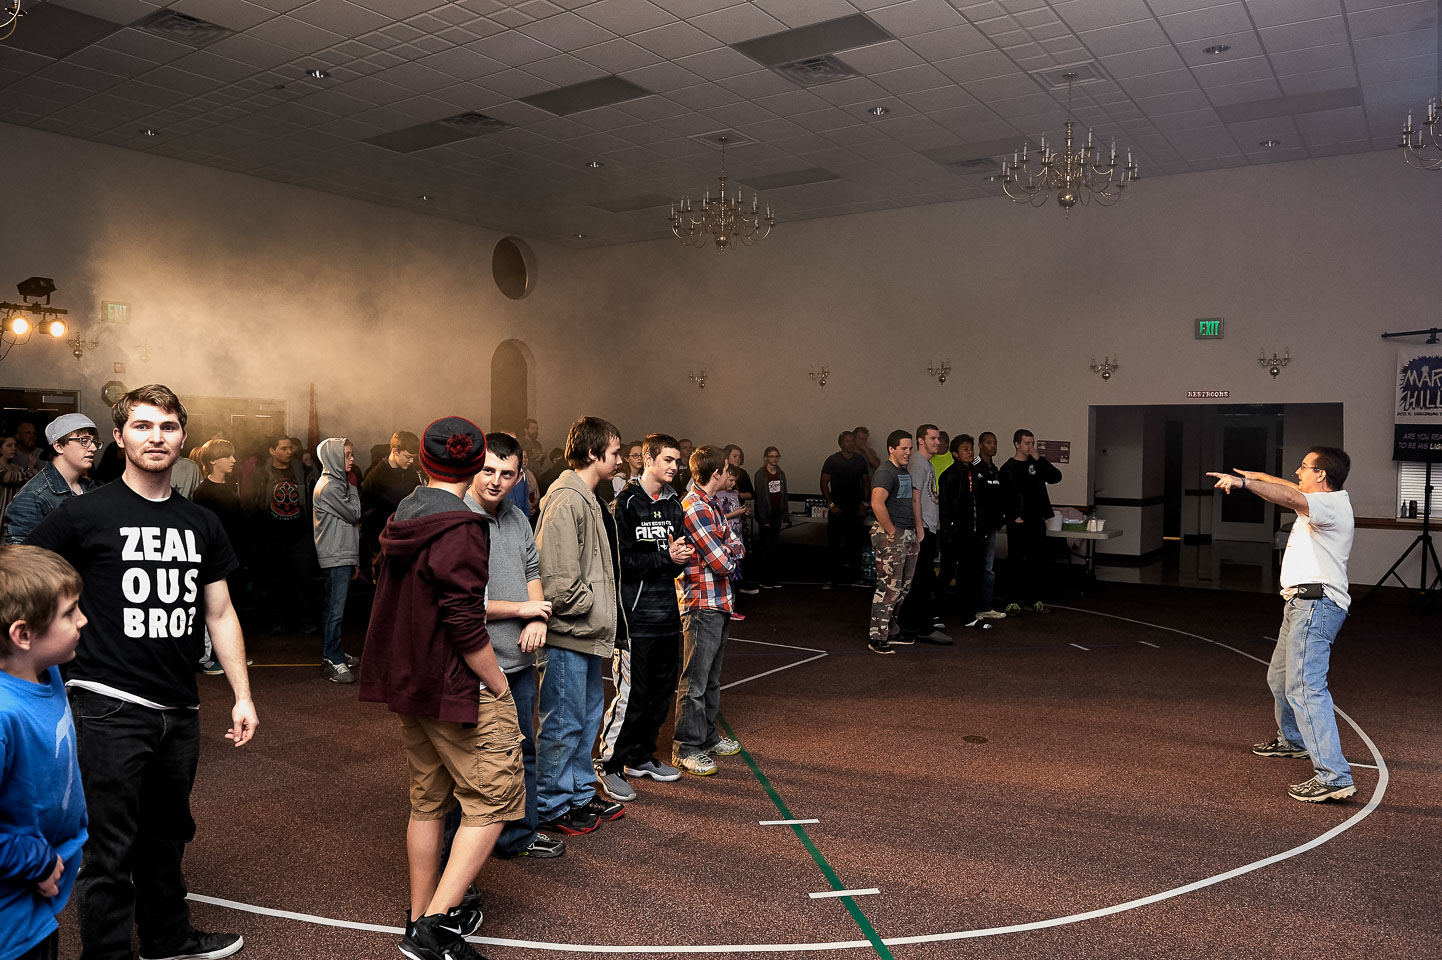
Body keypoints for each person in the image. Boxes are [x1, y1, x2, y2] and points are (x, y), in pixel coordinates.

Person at [27, 383, 255, 960]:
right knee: (108, 849)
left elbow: (220, 612)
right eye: (143, 426)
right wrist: (36, 670)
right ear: (120, 436)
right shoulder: (83, 514)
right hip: (105, 705)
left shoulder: (201, 522)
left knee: (167, 835)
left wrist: (242, 695)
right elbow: (21, 582)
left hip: (179, 708)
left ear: (183, 437)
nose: (157, 437)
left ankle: (166, 938)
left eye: (168, 426)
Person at [358, 417, 522, 960]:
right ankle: (434, 929)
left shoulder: (407, 512)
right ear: (475, 467)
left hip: (413, 681)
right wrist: (498, 684)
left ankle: (419, 917)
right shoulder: (462, 527)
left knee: (427, 800)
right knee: (494, 799)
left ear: (424, 462)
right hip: (456, 686)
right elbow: (465, 622)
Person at [1209, 447, 1359, 803]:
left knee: (1305, 688)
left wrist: (1244, 484)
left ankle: (1335, 777)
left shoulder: (1330, 505)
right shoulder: (1318, 499)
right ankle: (1293, 741)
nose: (1297, 471)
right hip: (1300, 604)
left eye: (1304, 467)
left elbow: (1289, 495)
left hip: (1316, 606)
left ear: (1321, 475)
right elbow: (1286, 488)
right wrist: (1256, 477)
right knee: (1279, 678)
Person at [461, 433, 564, 860]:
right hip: (475, 665)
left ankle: (519, 835)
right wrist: (524, 609)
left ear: (520, 476)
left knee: (523, 750)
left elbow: (531, 570)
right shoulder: (458, 519)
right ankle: (456, 858)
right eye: (488, 470)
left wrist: (537, 616)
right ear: (474, 469)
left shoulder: (518, 517)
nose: (495, 481)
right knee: (471, 763)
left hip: (519, 663)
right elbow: (463, 605)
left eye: (506, 473)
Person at [533, 417, 627, 836]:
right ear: (593, 453)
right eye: (615, 452)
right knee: (563, 723)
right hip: (569, 634)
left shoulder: (586, 497)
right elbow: (557, 582)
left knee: (587, 718)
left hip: (586, 634)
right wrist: (592, 606)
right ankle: (551, 805)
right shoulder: (566, 499)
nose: (620, 459)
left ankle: (579, 794)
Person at [0, 546, 88, 960]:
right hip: (10, 920)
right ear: (23, 635)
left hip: (36, 901)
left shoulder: (46, 670)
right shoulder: (4, 715)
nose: (82, 620)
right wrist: (35, 860)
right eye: (69, 613)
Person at [595, 433, 694, 802]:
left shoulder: (674, 505)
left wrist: (677, 557)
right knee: (632, 694)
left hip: (667, 612)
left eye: (677, 461)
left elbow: (674, 561)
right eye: (668, 459)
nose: (674, 466)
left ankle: (641, 757)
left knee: (661, 691)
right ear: (649, 459)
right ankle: (609, 764)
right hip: (635, 617)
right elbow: (622, 563)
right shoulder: (625, 503)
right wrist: (667, 558)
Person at [672, 444, 741, 776]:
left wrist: (729, 548)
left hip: (719, 601)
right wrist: (729, 550)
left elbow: (736, 543)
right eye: (726, 470)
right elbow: (723, 561)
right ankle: (686, 748)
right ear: (716, 473)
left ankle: (708, 737)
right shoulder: (696, 507)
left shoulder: (711, 504)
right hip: (702, 603)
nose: (729, 474)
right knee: (695, 681)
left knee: (711, 679)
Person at [247, 435, 315, 634]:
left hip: (300, 534)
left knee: (304, 580)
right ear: (272, 451)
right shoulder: (262, 472)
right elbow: (253, 502)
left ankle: (306, 620)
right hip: (273, 535)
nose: (289, 451)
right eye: (283, 448)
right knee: (276, 581)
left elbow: (314, 492)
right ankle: (279, 621)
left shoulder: (301, 469)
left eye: (290, 447)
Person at [192, 440, 248, 676]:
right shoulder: (203, 492)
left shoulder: (231, 486)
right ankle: (207, 659)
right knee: (212, 607)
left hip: (233, 557)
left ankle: (228, 655)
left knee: (230, 606)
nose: (233, 460)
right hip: (213, 560)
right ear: (213, 460)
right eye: (228, 456)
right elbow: (203, 530)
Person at [4, 414, 99, 546]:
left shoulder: (92, 488)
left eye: (94, 442)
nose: (93, 448)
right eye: (84, 441)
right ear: (58, 446)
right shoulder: (33, 496)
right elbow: (22, 556)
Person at [313, 438, 362, 684]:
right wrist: (352, 488)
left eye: (351, 454)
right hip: (336, 555)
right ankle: (332, 659)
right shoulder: (331, 487)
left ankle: (335, 652)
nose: (351, 459)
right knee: (335, 611)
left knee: (336, 609)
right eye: (346, 455)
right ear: (333, 458)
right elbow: (354, 514)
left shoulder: (337, 483)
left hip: (342, 553)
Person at [998, 429, 1062, 614]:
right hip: (1018, 521)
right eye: (1027, 443)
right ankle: (1012, 600)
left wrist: (1039, 458)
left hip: (1036, 519)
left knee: (1037, 560)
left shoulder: (1037, 464)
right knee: (1016, 560)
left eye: (1032, 443)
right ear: (1017, 444)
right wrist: (1012, 516)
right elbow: (1003, 496)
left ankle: (1035, 599)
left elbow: (1055, 477)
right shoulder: (1008, 468)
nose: (1030, 447)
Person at [868, 430, 920, 655]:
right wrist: (891, 531)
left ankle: (890, 630)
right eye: (903, 448)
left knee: (902, 589)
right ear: (891, 449)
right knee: (888, 587)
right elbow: (877, 503)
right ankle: (877, 636)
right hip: (893, 535)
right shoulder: (885, 472)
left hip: (907, 534)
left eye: (910, 448)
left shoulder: (902, 471)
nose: (908, 452)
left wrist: (915, 532)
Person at [899, 424, 950, 644]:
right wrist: (920, 530)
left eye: (938, 438)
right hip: (922, 531)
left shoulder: (927, 464)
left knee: (923, 579)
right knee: (922, 579)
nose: (937, 442)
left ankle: (912, 625)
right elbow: (915, 498)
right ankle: (919, 627)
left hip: (929, 528)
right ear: (921, 440)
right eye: (933, 438)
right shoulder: (918, 464)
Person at [937, 435, 992, 631]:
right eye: (965, 449)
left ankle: (968, 615)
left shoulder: (975, 474)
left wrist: (981, 530)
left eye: (971, 449)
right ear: (955, 453)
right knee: (946, 573)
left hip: (972, 534)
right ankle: (935, 613)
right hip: (954, 535)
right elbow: (945, 508)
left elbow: (978, 503)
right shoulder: (949, 476)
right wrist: (947, 533)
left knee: (969, 575)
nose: (970, 452)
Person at [360, 431, 423, 576]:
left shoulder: (411, 474)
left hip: (407, 541)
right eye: (408, 457)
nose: (411, 461)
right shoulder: (375, 477)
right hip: (383, 544)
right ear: (395, 451)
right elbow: (366, 514)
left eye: (413, 458)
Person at [820, 431, 869, 588]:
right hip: (838, 510)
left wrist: (864, 504)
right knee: (834, 544)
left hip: (855, 509)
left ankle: (856, 577)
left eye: (852, 440)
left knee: (855, 544)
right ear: (841, 444)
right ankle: (831, 578)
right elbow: (823, 483)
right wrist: (831, 505)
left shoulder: (860, 460)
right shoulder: (832, 460)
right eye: (847, 441)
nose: (850, 443)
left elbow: (866, 482)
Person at [972, 432, 1006, 620]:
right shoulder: (975, 467)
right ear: (980, 445)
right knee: (976, 566)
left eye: (995, 443)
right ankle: (974, 605)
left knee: (988, 567)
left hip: (991, 526)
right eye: (988, 442)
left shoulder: (995, 469)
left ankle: (986, 605)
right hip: (977, 527)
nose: (992, 446)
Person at [752, 446, 788, 589]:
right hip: (766, 515)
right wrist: (763, 519)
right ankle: (764, 579)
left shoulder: (781, 473)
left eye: (777, 456)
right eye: (771, 456)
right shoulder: (761, 474)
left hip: (777, 514)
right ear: (765, 458)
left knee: (774, 548)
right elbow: (760, 498)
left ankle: (773, 578)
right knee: (765, 547)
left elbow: (784, 495)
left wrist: (785, 517)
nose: (774, 459)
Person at [714, 466, 747, 621]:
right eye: (731, 480)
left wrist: (742, 512)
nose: (733, 484)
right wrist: (736, 513)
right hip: (725, 540)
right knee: (727, 575)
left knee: (735, 575)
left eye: (735, 481)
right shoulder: (717, 495)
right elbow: (719, 518)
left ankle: (732, 605)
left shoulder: (734, 493)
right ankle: (729, 607)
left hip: (736, 536)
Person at [1, 435, 35, 542]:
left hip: (13, 515)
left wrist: (28, 471)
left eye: (15, 445)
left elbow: (31, 478)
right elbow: (8, 477)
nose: (14, 448)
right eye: (9, 445)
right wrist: (30, 469)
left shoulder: (17, 468)